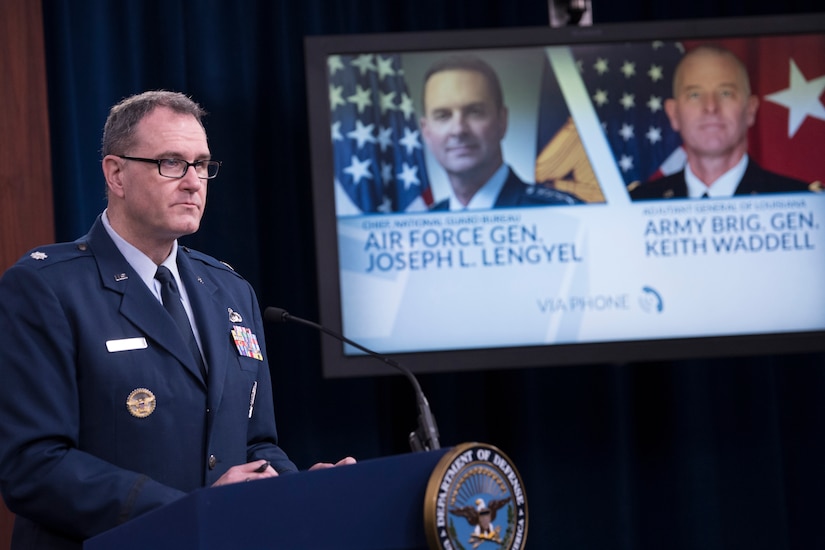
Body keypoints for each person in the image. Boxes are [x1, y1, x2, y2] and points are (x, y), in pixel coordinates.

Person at [0, 90, 354, 549]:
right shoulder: (45, 288)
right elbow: (33, 466)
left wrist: (298, 488)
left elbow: (255, 445)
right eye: (171, 162)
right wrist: (190, 513)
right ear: (116, 174)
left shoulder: (230, 290)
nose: (193, 182)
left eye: (202, 164)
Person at [630, 45, 813, 200]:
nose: (710, 106)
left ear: (750, 109)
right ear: (674, 114)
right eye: (695, 95)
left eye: (725, 93)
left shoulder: (799, 201)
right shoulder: (637, 205)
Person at [419, 54, 582, 210]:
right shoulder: (420, 228)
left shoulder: (563, 213)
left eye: (474, 112)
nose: (459, 129)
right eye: (443, 116)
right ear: (426, 131)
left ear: (502, 121)